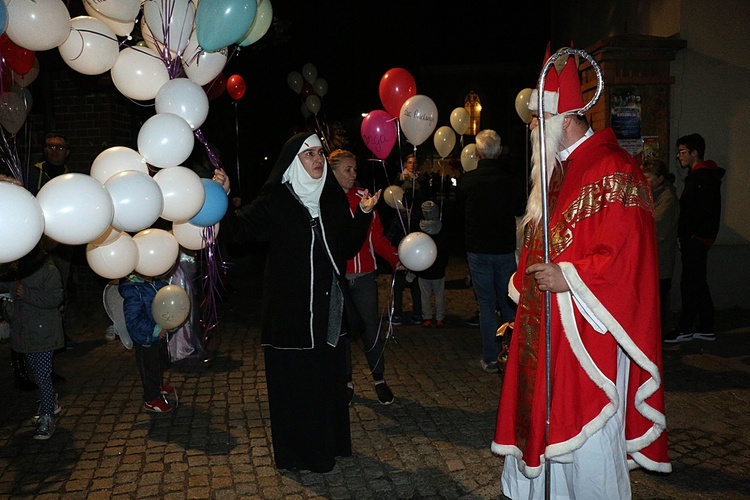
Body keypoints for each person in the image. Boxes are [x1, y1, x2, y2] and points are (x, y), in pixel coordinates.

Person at [492, 53, 670, 499]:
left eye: (538, 120)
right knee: (541, 419)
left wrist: (569, 276)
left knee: (588, 440)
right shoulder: (555, 171)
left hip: (589, 334)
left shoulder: (614, 168)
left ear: (564, 118)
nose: (531, 128)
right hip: (545, 324)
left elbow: (629, 256)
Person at [215, 133, 380, 473]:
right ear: (293, 162)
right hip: (290, 313)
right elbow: (238, 232)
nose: (318, 160)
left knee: (325, 383)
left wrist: (363, 213)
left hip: (327, 310)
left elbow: (346, 247)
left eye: (320, 153)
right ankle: (298, 455)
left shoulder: (331, 196)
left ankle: (327, 448)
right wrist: (224, 197)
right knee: (296, 386)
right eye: (310, 155)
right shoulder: (277, 197)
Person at [329, 149, 400, 405]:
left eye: (355, 169)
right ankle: (345, 382)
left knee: (371, 329)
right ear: (333, 171)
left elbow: (376, 237)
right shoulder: (324, 199)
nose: (353, 174)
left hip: (364, 275)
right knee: (342, 334)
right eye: (347, 169)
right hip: (337, 278)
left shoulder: (364, 197)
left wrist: (394, 258)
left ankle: (379, 379)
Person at [456, 129, 524, 373]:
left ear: (477, 152)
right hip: (504, 248)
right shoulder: (512, 181)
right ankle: (511, 354)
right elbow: (519, 209)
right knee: (508, 301)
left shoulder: (468, 181)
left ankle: (491, 357)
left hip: (478, 249)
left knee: (485, 305)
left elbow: (459, 211)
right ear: (499, 151)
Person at [665, 133, 725, 343]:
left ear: (694, 153)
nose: (678, 156)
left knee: (691, 283)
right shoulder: (702, 176)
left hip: (695, 238)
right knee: (697, 282)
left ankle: (686, 328)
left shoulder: (702, 178)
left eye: (682, 152)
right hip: (698, 237)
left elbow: (693, 211)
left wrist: (687, 235)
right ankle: (706, 326)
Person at [0, 243, 65, 440]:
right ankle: (50, 402)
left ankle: (47, 416)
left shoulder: (47, 269)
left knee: (42, 376)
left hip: (43, 333)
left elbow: (55, 298)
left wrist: (26, 294)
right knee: (37, 375)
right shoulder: (16, 268)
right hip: (26, 332)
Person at [25, 132, 76, 350]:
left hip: (62, 243)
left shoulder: (70, 178)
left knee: (59, 289)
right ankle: (36, 338)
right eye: (50, 146)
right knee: (37, 288)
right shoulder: (32, 173)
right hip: (35, 243)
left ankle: (59, 336)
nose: (54, 151)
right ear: (45, 149)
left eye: (60, 147)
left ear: (67, 152)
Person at [118, 272, 175, 413]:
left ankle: (158, 385)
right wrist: (154, 329)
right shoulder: (133, 290)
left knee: (160, 362)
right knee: (149, 368)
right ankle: (151, 398)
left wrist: (172, 321)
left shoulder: (158, 283)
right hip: (146, 339)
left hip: (158, 337)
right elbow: (132, 320)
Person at [641, 158, 679, 337]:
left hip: (660, 259)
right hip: (652, 258)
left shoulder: (667, 197)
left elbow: (657, 225)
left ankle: (658, 336)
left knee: (659, 300)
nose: (644, 179)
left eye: (647, 176)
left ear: (660, 178)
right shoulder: (651, 193)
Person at [386, 187, 423, 326]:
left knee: (398, 286)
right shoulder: (421, 216)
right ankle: (418, 313)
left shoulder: (399, 216)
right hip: (418, 254)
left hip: (401, 253)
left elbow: (392, 234)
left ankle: (397, 314)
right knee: (416, 285)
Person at [417, 200, 449, 328]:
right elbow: (445, 249)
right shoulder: (442, 228)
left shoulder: (420, 228)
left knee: (424, 295)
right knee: (439, 294)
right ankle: (440, 317)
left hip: (424, 269)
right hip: (439, 268)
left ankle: (427, 317)